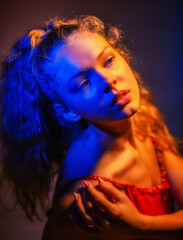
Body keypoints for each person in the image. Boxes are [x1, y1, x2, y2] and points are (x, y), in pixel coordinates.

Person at [0, 15, 182, 240]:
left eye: (108, 61)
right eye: (84, 83)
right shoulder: (89, 198)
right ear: (67, 109)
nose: (108, 81)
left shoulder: (145, 118)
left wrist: (141, 224)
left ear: (123, 56)